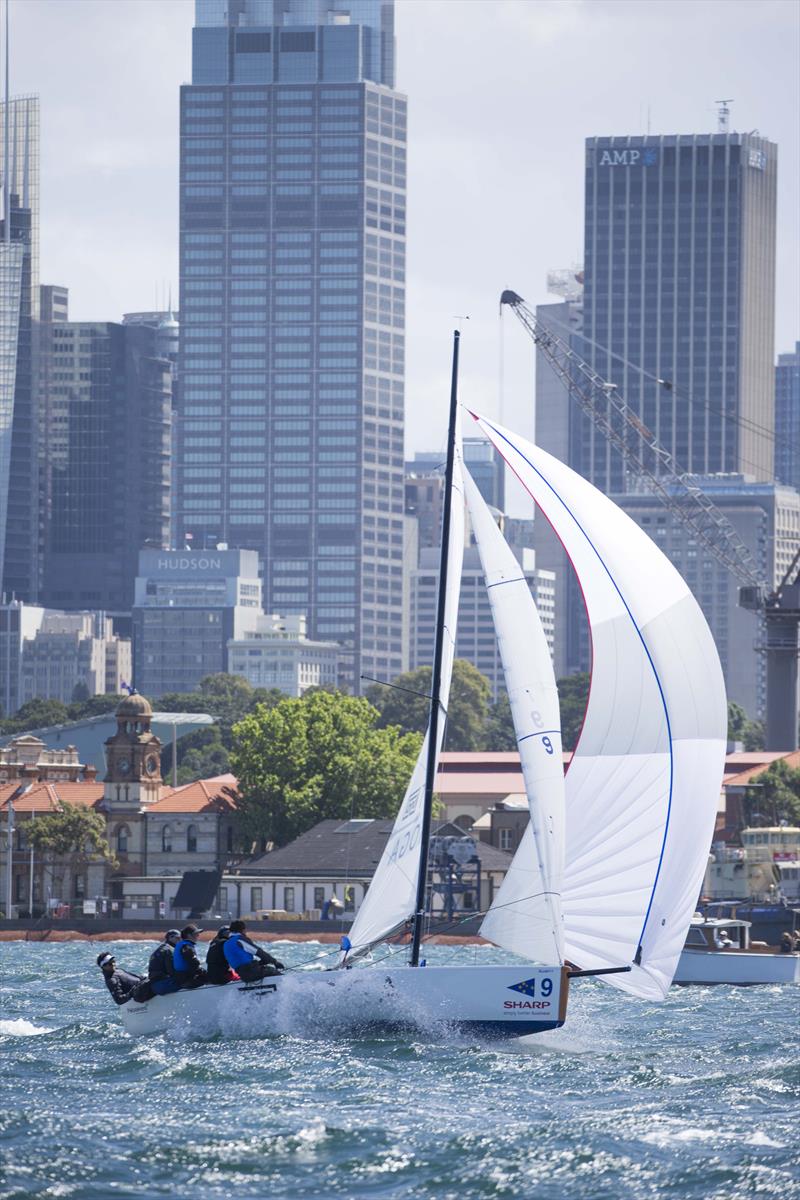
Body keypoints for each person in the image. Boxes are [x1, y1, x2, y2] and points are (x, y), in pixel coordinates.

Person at [223, 919, 285, 983]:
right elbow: (259, 952)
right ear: (243, 930)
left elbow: (239, 961)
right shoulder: (240, 939)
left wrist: (263, 962)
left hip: (242, 975)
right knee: (272, 970)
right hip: (251, 972)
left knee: (262, 965)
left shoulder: (226, 943)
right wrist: (275, 962)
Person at [148, 929, 181, 996]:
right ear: (170, 938)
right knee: (191, 982)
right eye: (177, 938)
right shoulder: (169, 950)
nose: (180, 940)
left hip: (155, 985)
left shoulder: (161, 948)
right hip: (162, 985)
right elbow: (172, 971)